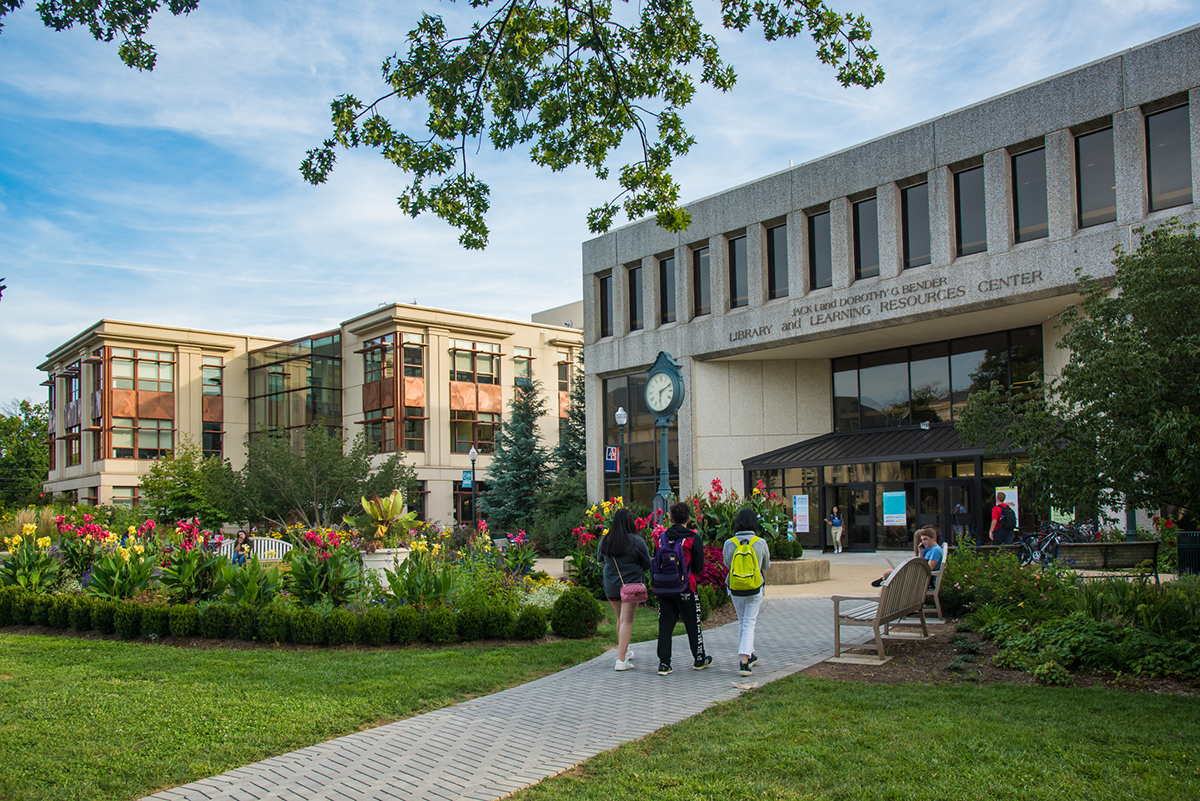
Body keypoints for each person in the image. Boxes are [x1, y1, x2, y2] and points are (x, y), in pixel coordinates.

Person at [654, 501, 711, 675]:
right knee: (693, 624)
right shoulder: (693, 538)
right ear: (688, 518)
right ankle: (699, 658)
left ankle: (664, 663)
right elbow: (699, 567)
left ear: (671, 519)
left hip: (665, 588)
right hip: (687, 587)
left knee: (665, 625)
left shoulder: (661, 538)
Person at [598, 508, 652, 671]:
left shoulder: (605, 540)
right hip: (631, 586)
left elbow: (600, 562)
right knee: (626, 621)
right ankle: (621, 660)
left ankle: (625, 650)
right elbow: (648, 564)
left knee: (620, 619)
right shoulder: (636, 541)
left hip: (611, 585)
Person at [723, 507, 771, 676]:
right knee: (750, 622)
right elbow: (766, 566)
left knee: (743, 622)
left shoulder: (729, 543)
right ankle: (744, 660)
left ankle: (749, 654)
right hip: (755, 587)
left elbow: (728, 565)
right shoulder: (760, 542)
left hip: (735, 588)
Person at [871, 526, 943, 588]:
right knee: (888, 576)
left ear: (933, 538)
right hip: (920, 578)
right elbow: (923, 565)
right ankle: (883, 586)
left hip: (922, 581)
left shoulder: (935, 550)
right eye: (922, 540)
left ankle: (882, 594)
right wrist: (921, 552)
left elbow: (928, 569)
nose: (923, 542)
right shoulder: (931, 549)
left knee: (888, 574)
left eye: (925, 539)